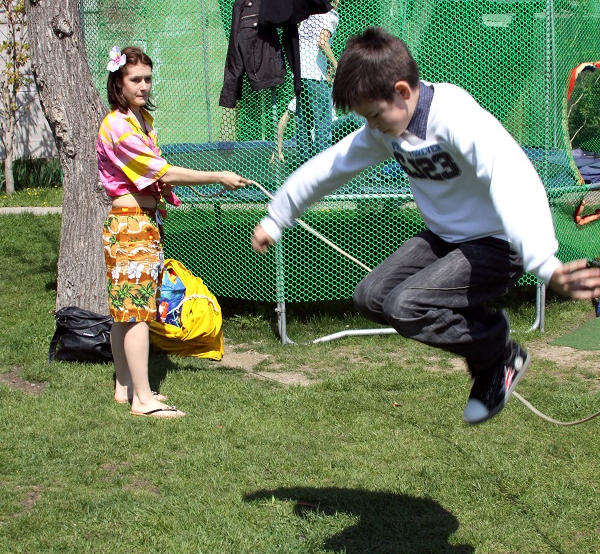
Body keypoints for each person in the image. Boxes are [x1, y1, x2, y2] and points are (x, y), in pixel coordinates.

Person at [252, 27, 600, 425]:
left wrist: (545, 263)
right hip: (446, 239)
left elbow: (513, 180)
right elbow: (330, 167)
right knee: (370, 297)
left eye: (374, 115)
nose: (372, 126)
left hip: (499, 243)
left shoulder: (455, 118)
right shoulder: (386, 130)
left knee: (405, 306)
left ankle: (498, 352)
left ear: (402, 91)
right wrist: (277, 217)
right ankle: (485, 338)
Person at [97, 46, 249, 418]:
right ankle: (143, 400)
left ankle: (124, 387)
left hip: (141, 222)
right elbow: (161, 171)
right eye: (135, 79)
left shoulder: (139, 119)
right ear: (118, 82)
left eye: (148, 79)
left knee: (127, 311)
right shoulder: (118, 125)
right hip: (131, 225)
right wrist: (218, 176)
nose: (143, 86)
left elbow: (155, 177)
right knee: (137, 314)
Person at [295, 0, 342, 160]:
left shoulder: (309, 14)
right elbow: (322, 42)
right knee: (323, 122)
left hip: (300, 74)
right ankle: (323, 164)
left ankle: (304, 162)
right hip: (315, 76)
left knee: (303, 120)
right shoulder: (331, 14)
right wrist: (336, 64)